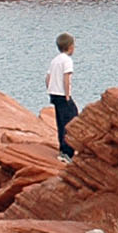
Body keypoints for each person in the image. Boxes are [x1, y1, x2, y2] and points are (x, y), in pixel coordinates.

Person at [46, 33, 77, 161]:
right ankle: (67, 152)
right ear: (70, 47)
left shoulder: (55, 60)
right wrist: (67, 95)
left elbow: (47, 77)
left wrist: (49, 89)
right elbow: (66, 78)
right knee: (71, 119)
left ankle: (62, 149)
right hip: (62, 94)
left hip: (54, 94)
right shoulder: (67, 60)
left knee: (60, 120)